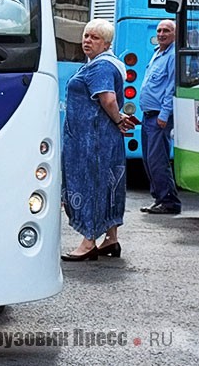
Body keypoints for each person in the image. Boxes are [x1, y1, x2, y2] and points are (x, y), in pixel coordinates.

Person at [61, 18, 133, 261]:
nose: (87, 40)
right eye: (86, 35)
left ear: (106, 44)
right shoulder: (103, 65)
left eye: (94, 37)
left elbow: (108, 99)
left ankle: (88, 242)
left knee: (89, 185)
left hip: (92, 141)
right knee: (107, 186)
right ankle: (111, 239)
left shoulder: (100, 67)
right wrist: (118, 120)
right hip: (101, 138)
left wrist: (117, 119)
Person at [139, 19, 182, 215]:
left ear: (175, 33)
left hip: (159, 117)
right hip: (148, 116)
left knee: (157, 160)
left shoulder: (172, 55)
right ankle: (159, 199)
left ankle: (169, 202)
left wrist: (164, 115)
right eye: (159, 30)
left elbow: (171, 87)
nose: (162, 33)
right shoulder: (158, 53)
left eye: (167, 30)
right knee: (149, 159)